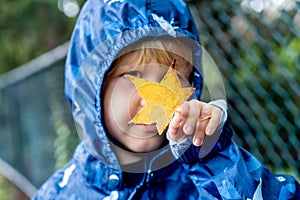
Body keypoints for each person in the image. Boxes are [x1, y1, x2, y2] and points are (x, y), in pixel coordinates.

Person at [33, 0, 299, 199]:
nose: (154, 100)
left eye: (172, 76)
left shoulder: (206, 174)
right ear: (92, 90)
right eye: (133, 75)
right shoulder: (59, 194)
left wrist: (214, 157)